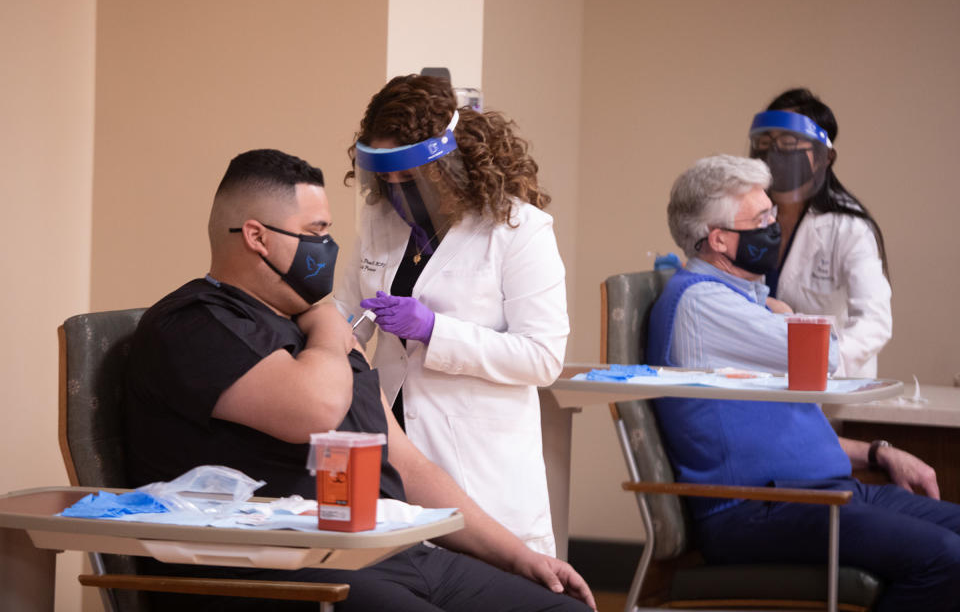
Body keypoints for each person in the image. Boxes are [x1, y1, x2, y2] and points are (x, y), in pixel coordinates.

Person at [123, 148, 595, 612]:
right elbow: (316, 409)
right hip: (282, 572)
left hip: (389, 554)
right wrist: (328, 322)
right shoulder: (194, 325)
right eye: (315, 232)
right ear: (256, 237)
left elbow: (409, 468)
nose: (327, 248)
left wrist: (523, 556)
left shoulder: (305, 332)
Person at [645, 154, 960, 612]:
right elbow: (827, 355)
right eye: (761, 219)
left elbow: (781, 423)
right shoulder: (701, 303)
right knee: (945, 560)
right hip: (757, 510)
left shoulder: (746, 298)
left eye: (771, 212)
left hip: (816, 493)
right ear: (719, 240)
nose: (775, 226)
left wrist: (877, 451)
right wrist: (790, 315)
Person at [334, 75, 568, 555]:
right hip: (393, 445)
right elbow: (343, 309)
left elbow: (543, 358)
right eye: (388, 181)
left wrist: (435, 331)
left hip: (479, 464)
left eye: (411, 180)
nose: (399, 194)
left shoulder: (517, 230)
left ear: (448, 165)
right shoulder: (379, 223)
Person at [748, 88, 892, 377]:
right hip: (760, 376)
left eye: (789, 143)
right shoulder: (748, 217)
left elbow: (874, 321)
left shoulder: (848, 228)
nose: (775, 154)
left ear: (824, 157)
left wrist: (824, 360)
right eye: (766, 142)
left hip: (829, 387)